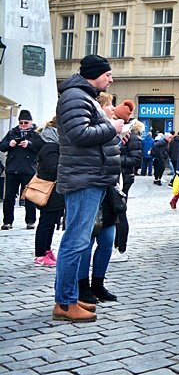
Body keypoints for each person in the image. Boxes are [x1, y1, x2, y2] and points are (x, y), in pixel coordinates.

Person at [52, 54, 123, 322]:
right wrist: (112, 128)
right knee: (75, 242)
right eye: (108, 75)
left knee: (78, 241)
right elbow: (80, 135)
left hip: (90, 177)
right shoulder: (74, 97)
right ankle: (65, 303)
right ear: (95, 74)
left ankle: (69, 298)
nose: (111, 79)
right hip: (84, 179)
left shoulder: (83, 96)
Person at [1, 109, 45, 230]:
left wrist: (29, 145)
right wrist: (10, 144)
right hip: (12, 169)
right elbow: (2, 146)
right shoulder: (12, 132)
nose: (23, 125)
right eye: (21, 122)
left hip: (28, 169)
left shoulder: (36, 133)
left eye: (26, 122)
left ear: (31, 122)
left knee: (29, 197)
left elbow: (42, 148)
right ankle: (7, 221)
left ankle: (30, 221)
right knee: (9, 197)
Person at [33, 118, 64, 267]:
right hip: (49, 192)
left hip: (54, 192)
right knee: (46, 223)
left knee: (50, 223)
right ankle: (40, 254)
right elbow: (53, 168)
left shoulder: (53, 146)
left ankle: (46, 250)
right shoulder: (50, 147)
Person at [112, 119, 143, 262]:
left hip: (124, 177)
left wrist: (115, 159)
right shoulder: (123, 137)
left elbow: (136, 159)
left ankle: (121, 247)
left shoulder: (133, 138)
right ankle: (116, 245)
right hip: (118, 175)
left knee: (120, 211)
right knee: (115, 212)